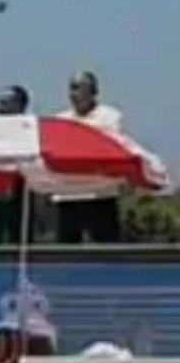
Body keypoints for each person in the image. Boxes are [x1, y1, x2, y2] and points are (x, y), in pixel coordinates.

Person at [52, 70, 125, 244]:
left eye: (78, 88)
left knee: (106, 249)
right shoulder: (60, 120)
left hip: (100, 193)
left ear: (93, 91)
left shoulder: (110, 117)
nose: (74, 94)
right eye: (71, 88)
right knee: (66, 252)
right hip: (68, 194)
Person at [0, 85, 37, 245]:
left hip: (20, 188)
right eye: (0, 103)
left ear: (20, 105)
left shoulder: (31, 128)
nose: (1, 108)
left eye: (7, 103)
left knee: (19, 239)